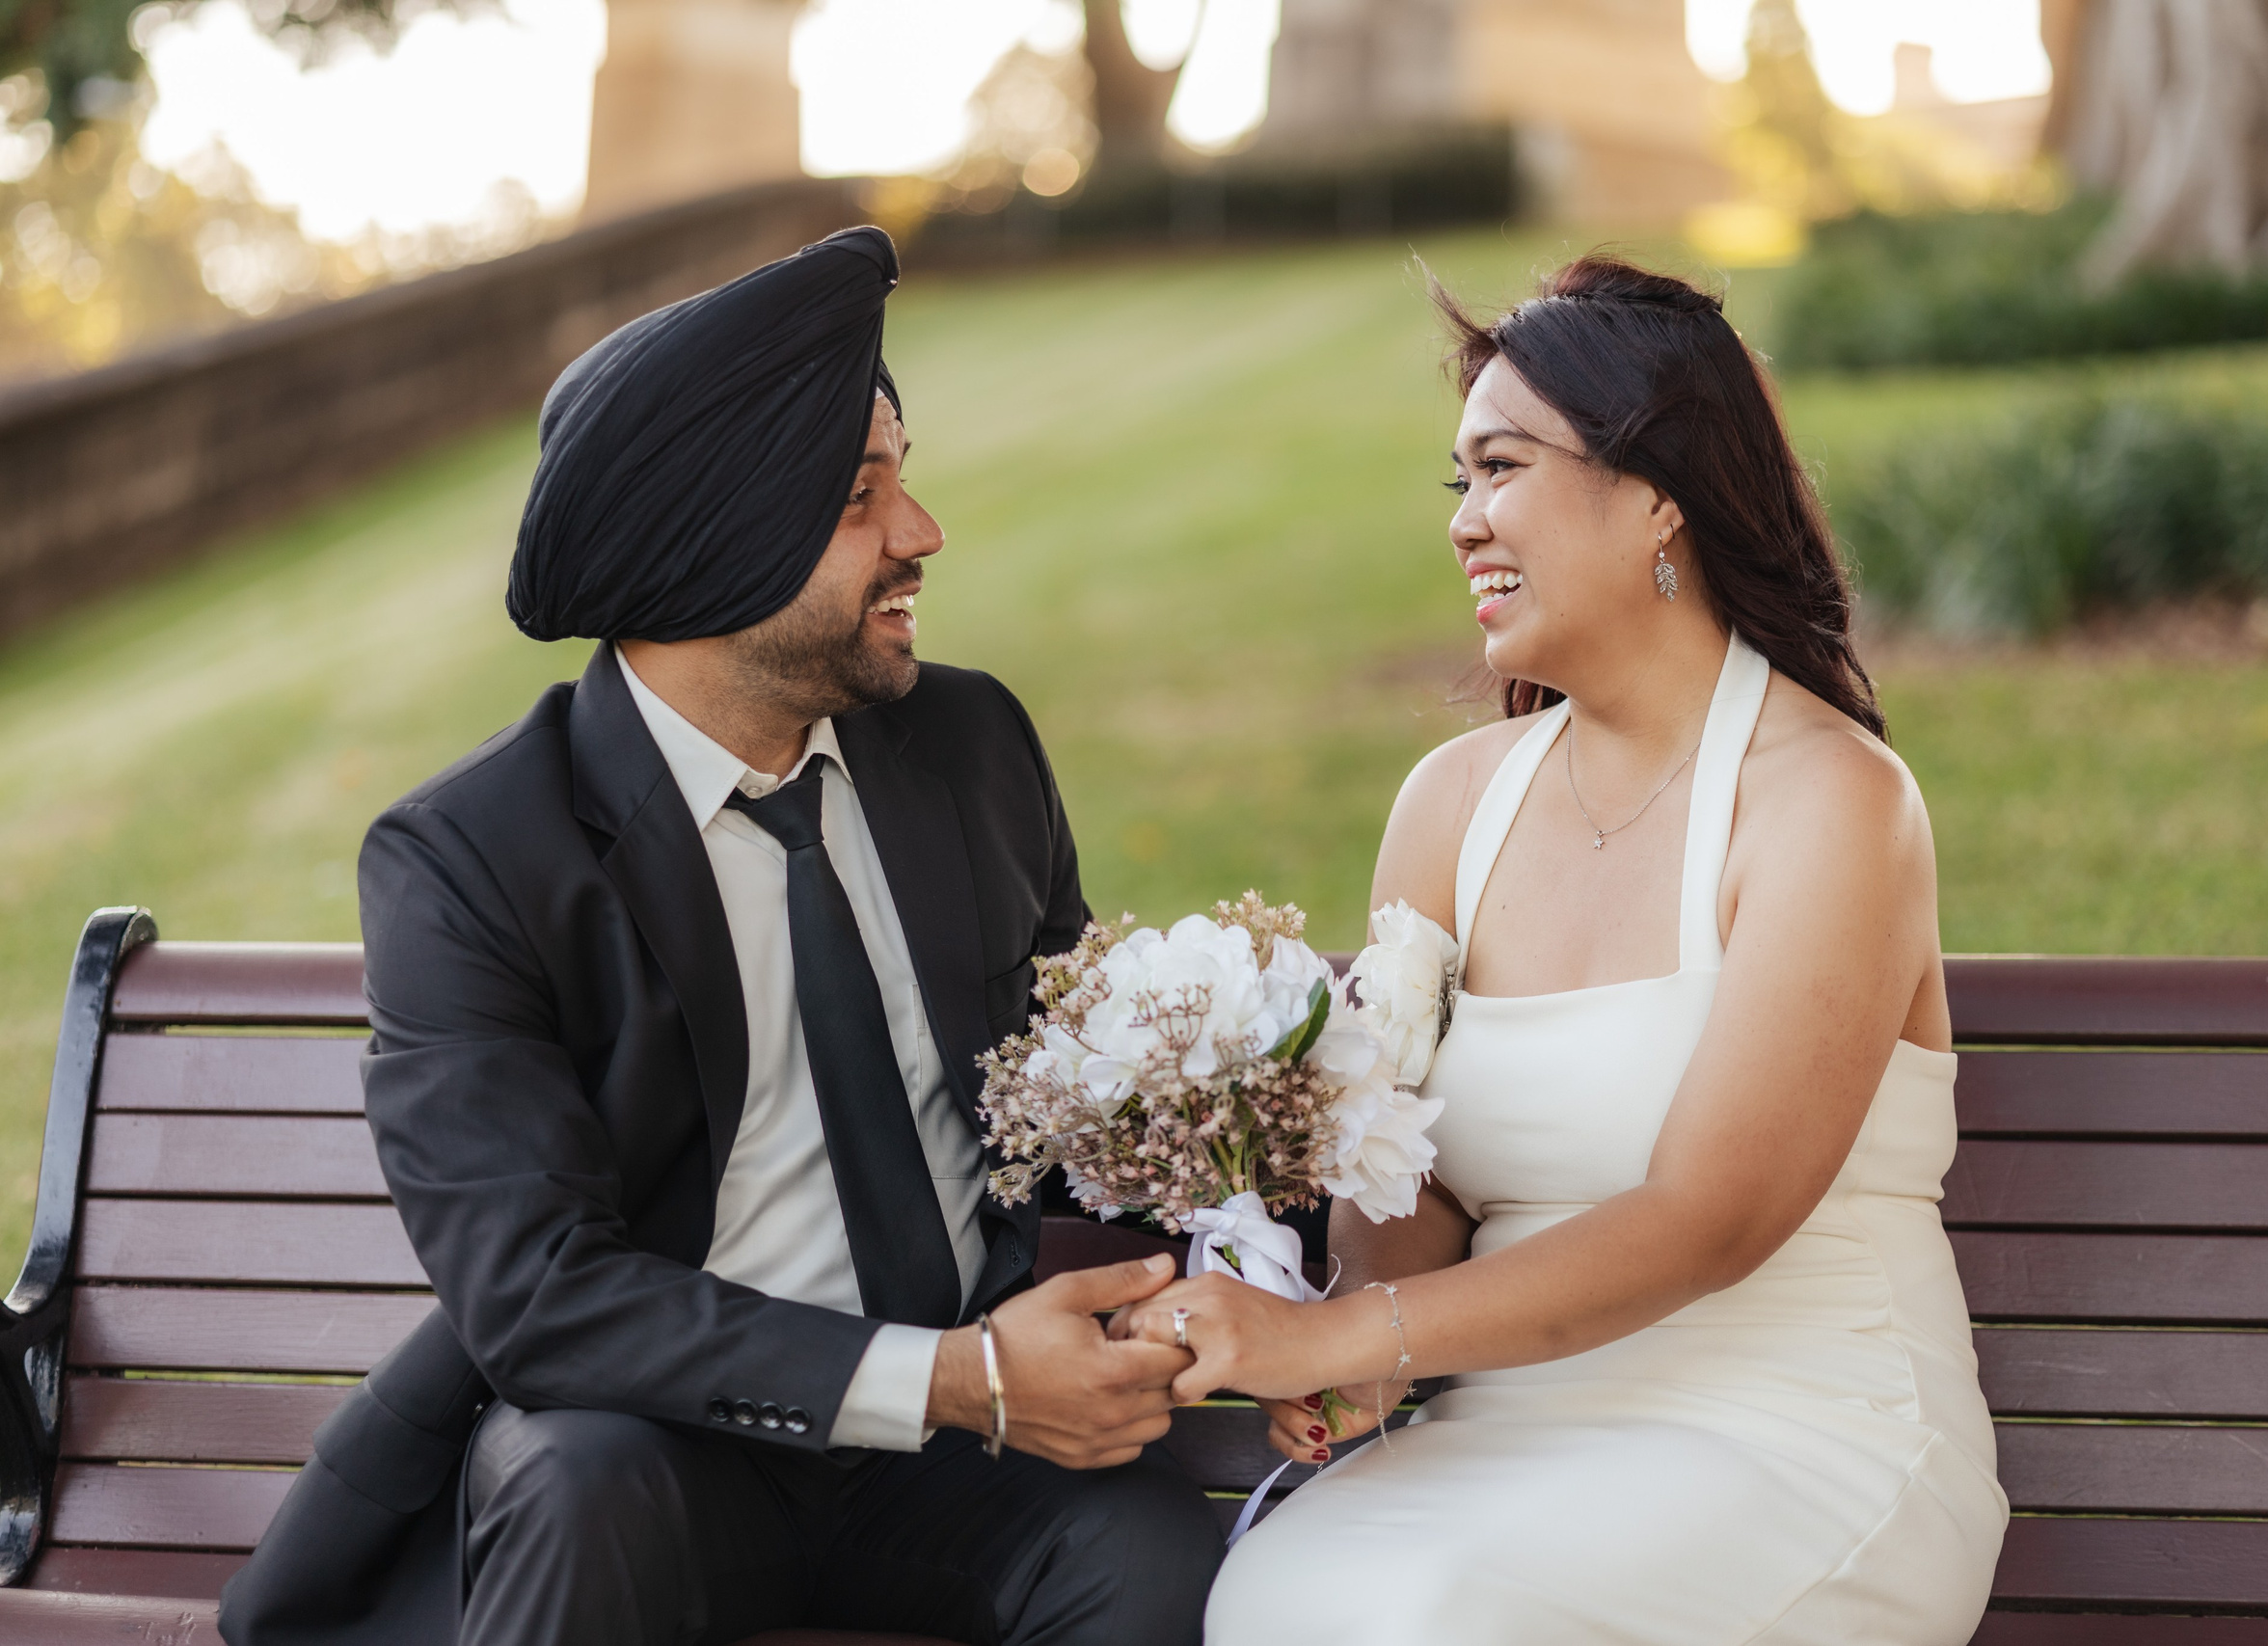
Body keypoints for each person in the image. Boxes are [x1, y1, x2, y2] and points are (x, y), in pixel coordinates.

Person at [220, 226, 1223, 1646]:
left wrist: (1272, 1261)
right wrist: (950, 1375)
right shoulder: (474, 860)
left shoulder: (969, 745)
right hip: (662, 1443)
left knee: (1152, 1563)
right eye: (864, 495)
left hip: (964, 1464)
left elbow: (1090, 1104)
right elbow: (539, 1298)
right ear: (715, 545)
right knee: (575, 1478)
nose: (923, 531)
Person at [1116, 256, 2009, 1643]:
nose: (1468, 521)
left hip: (1794, 1432)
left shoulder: (1830, 802)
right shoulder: (1450, 807)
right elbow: (1404, 1209)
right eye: (1458, 484)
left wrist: (1356, 1338)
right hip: (1500, 1428)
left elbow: (1711, 1216)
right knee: (1281, 1599)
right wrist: (1317, 1310)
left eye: (1503, 469)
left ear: (1661, 493)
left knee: (1432, 1621)